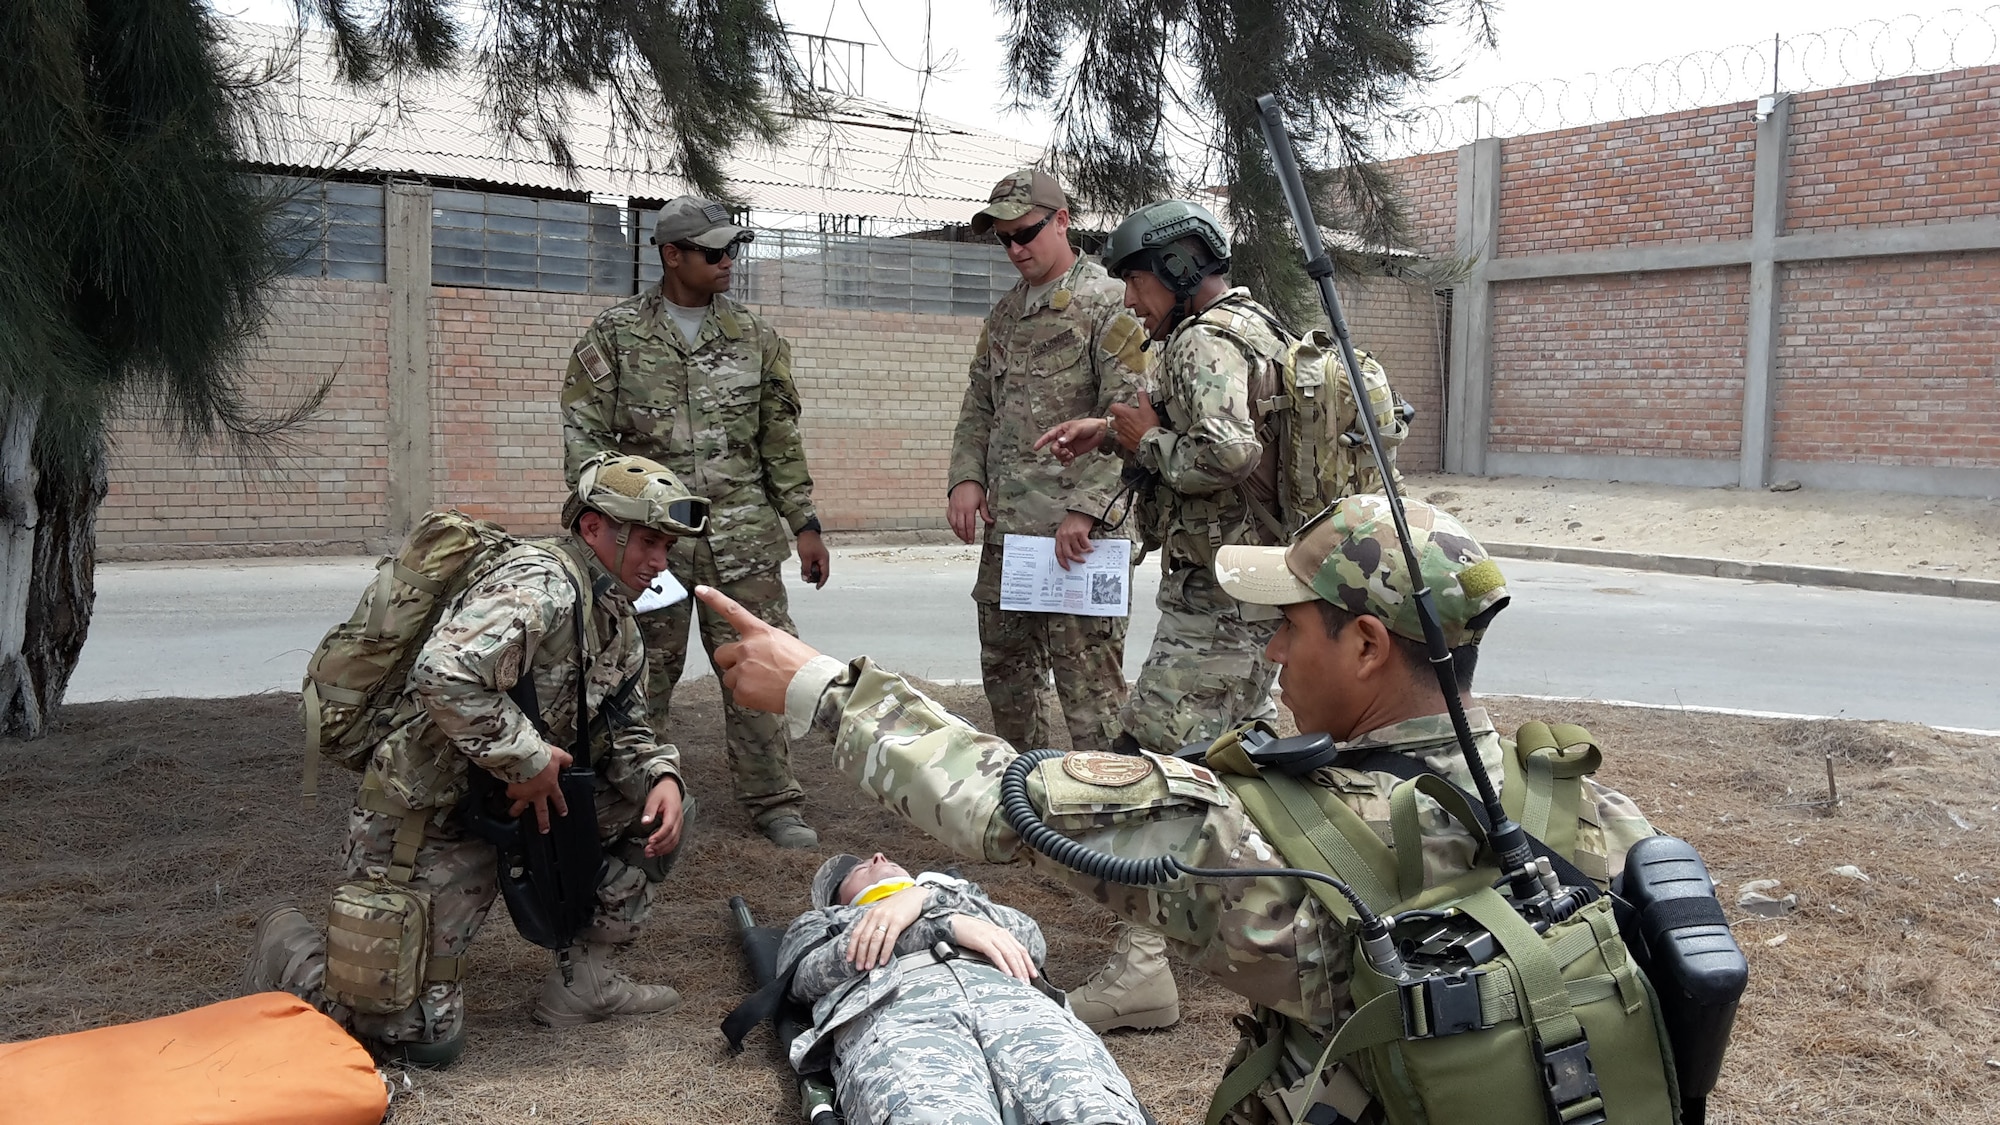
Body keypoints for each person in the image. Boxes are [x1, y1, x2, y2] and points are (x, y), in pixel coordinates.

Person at [696, 494, 1658, 1122]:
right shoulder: (1602, 817)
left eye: (1287, 627)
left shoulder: (1255, 833)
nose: (1273, 654)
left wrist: (822, 686)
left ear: (1367, 645)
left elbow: (1001, 797)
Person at [245, 453, 701, 1067]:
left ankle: (586, 981)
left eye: (666, 546)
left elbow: (624, 728)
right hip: (431, 814)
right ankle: (290, 945)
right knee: (414, 1038)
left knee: (661, 808)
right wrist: (530, 759)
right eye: (648, 541)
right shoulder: (537, 584)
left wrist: (661, 776)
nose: (659, 562)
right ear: (594, 527)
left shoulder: (614, 615)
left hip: (519, 803)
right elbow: (445, 673)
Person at [1030, 199, 1298, 1033]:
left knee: (1146, 770)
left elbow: (1226, 450)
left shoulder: (1200, 342)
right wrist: (1114, 431)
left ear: (1177, 274)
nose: (1132, 303)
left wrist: (1143, 442)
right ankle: (1273, 930)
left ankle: (1142, 975)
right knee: (1250, 763)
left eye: (1137, 284)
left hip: (1214, 607)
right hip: (1262, 593)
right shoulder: (1259, 327)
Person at [559, 196, 828, 849]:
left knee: (758, 661)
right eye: (712, 252)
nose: (726, 262)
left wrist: (805, 522)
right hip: (654, 545)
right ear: (670, 254)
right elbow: (584, 441)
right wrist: (610, 524)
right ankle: (634, 790)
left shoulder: (753, 338)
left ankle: (774, 800)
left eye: (732, 249)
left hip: (739, 541)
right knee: (640, 665)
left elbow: (779, 441)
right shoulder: (616, 336)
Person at [948, 168, 1150, 758]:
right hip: (1009, 536)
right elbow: (978, 404)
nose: (1015, 248)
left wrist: (1087, 510)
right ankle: (1027, 804)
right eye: (1003, 239)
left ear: (1062, 221)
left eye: (1026, 232)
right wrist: (966, 476)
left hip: (1078, 539)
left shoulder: (1111, 304)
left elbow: (1132, 419)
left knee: (1090, 695)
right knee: (1008, 684)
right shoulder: (1006, 315)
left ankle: (1104, 821)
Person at [777, 852, 1149, 1125]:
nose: (878, 856)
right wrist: (946, 928)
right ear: (839, 897)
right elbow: (804, 979)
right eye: (860, 868)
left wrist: (925, 898)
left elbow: (1031, 943)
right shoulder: (827, 921)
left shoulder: (964, 899)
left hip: (1017, 1006)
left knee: (1091, 1107)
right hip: (896, 1014)